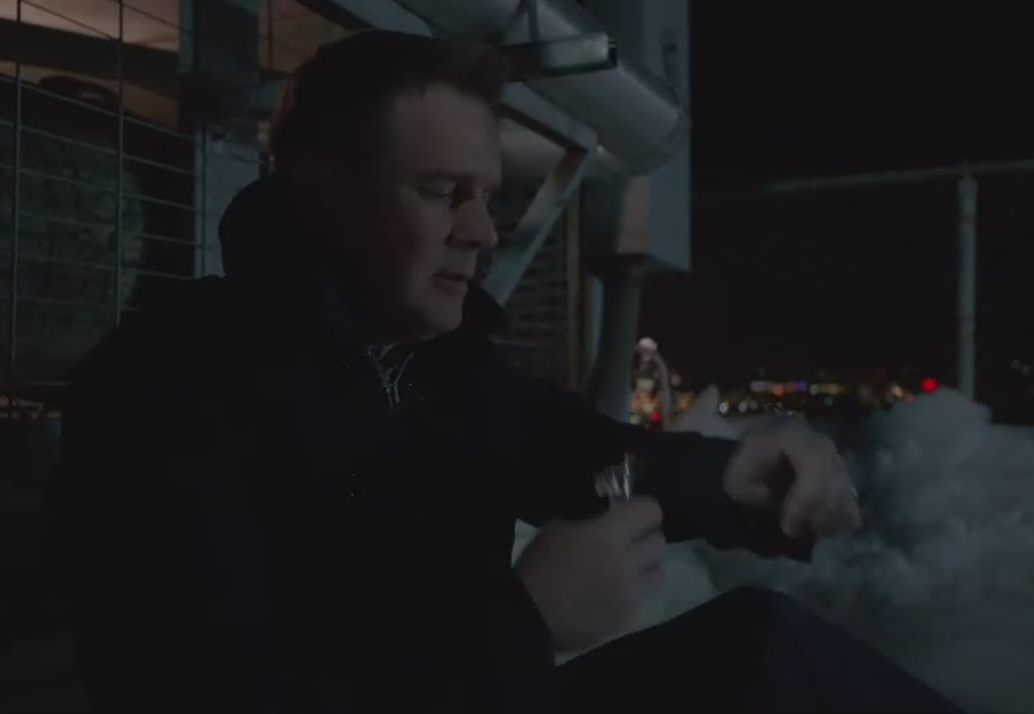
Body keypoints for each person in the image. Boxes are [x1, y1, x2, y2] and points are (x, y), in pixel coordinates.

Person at [48, 30, 965, 713]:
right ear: (322, 194)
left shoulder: (433, 372)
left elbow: (583, 455)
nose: (483, 232)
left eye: (486, 196)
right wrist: (524, 623)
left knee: (760, 649)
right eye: (443, 192)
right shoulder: (167, 389)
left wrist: (731, 477)